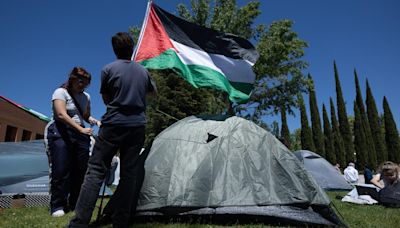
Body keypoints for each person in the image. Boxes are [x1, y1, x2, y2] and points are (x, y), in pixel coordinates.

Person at [69, 32, 156, 227]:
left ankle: (79, 223)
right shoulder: (143, 72)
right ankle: (121, 222)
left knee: (95, 171)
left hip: (113, 124)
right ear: (132, 48)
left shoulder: (108, 69)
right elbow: (152, 92)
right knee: (129, 174)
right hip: (136, 126)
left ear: (114, 50)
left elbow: (106, 98)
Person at [44, 67, 100, 217]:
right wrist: (80, 129)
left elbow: (86, 116)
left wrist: (95, 121)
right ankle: (57, 205)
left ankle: (75, 202)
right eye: (80, 81)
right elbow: (61, 114)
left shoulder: (86, 96)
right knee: (61, 168)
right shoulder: (60, 92)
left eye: (86, 83)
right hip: (61, 131)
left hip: (80, 135)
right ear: (72, 78)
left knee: (80, 170)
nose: (82, 85)